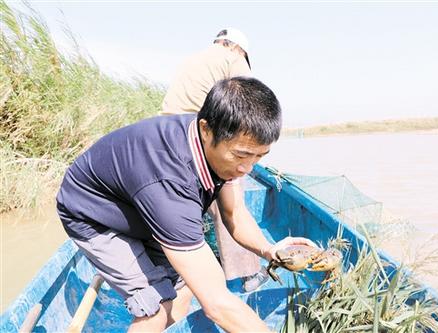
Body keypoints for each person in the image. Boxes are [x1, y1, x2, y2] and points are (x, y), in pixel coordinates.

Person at [56, 77, 317, 332]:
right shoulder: (171, 182)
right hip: (94, 215)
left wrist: (269, 250)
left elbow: (234, 212)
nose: (247, 168)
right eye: (242, 155)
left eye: (259, 156)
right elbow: (217, 304)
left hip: (142, 205)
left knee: (183, 288)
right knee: (155, 307)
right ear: (206, 129)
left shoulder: (218, 148)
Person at [160, 27, 268, 292]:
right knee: (230, 207)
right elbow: (250, 104)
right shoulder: (233, 58)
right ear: (238, 48)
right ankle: (248, 273)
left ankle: (180, 269)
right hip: (202, 139)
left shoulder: (195, 58)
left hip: (167, 137)